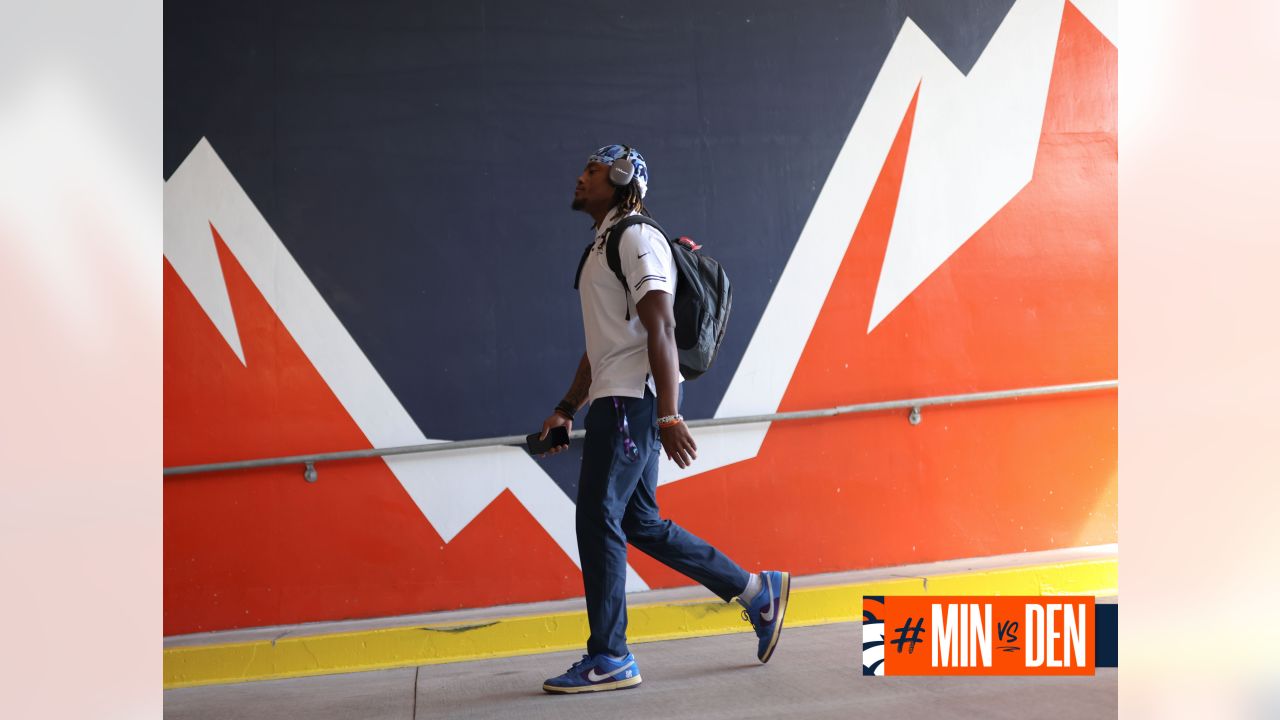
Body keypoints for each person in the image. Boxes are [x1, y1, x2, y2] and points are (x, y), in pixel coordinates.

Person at [534, 144, 790, 694]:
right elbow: (602, 344)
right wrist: (565, 408)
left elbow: (663, 326)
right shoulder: (603, 243)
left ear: (623, 178)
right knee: (638, 523)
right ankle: (756, 592)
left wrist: (670, 414)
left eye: (593, 171)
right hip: (615, 399)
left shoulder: (637, 236)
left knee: (597, 516)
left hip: (631, 404)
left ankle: (611, 656)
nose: (580, 177)